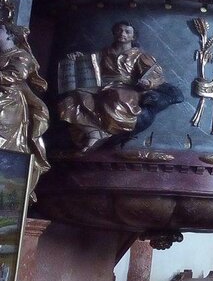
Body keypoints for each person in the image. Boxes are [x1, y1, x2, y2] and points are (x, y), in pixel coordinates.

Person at [57, 21, 184, 152]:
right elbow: (89, 64)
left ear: (133, 37)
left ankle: (105, 131)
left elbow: (155, 74)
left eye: (127, 31)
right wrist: (78, 57)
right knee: (70, 102)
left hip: (126, 89)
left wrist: (148, 82)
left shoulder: (139, 56)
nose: (122, 34)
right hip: (100, 87)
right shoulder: (104, 53)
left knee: (114, 97)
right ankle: (94, 132)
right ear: (114, 33)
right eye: (119, 30)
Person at [0, 22, 50, 198]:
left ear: (10, 35)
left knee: (5, 143)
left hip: (8, 103)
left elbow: (15, 75)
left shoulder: (21, 56)